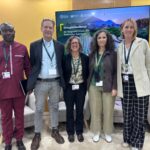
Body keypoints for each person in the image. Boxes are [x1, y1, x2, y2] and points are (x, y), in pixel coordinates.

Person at [27, 18, 65, 150]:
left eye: (50, 27)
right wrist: (31, 84)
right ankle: (37, 134)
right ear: (41, 28)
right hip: (40, 83)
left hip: (55, 82)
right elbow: (33, 65)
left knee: (54, 107)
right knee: (38, 109)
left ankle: (55, 129)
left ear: (53, 29)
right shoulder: (34, 45)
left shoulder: (60, 46)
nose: (48, 29)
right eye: (46, 27)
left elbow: (61, 64)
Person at [117, 18, 150, 150]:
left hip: (140, 83)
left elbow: (148, 65)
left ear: (134, 29)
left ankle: (137, 142)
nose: (129, 29)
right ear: (122, 30)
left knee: (140, 115)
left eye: (131, 27)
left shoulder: (143, 43)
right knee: (127, 113)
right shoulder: (119, 47)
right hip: (125, 82)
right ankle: (127, 138)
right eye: (126, 27)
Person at [0, 23, 31, 150]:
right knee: (5, 117)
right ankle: (7, 141)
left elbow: (28, 68)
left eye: (10, 30)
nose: (8, 33)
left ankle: (19, 139)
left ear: (14, 32)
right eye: (5, 31)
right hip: (3, 91)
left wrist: (30, 86)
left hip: (19, 90)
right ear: (1, 33)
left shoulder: (22, 48)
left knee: (19, 116)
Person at [88, 29, 117, 143]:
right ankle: (97, 132)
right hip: (93, 86)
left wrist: (115, 87)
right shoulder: (91, 55)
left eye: (104, 37)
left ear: (107, 39)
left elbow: (115, 72)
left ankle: (107, 132)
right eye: (99, 37)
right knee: (95, 110)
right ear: (96, 40)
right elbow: (88, 71)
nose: (101, 39)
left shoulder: (113, 54)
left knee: (108, 110)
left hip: (108, 86)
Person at [63, 36, 89, 142]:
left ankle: (79, 132)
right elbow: (63, 73)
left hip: (81, 88)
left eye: (76, 43)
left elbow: (87, 73)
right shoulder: (65, 58)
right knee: (69, 111)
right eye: (73, 43)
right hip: (69, 88)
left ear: (79, 45)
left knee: (79, 110)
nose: (74, 44)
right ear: (70, 45)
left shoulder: (85, 58)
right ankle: (70, 132)